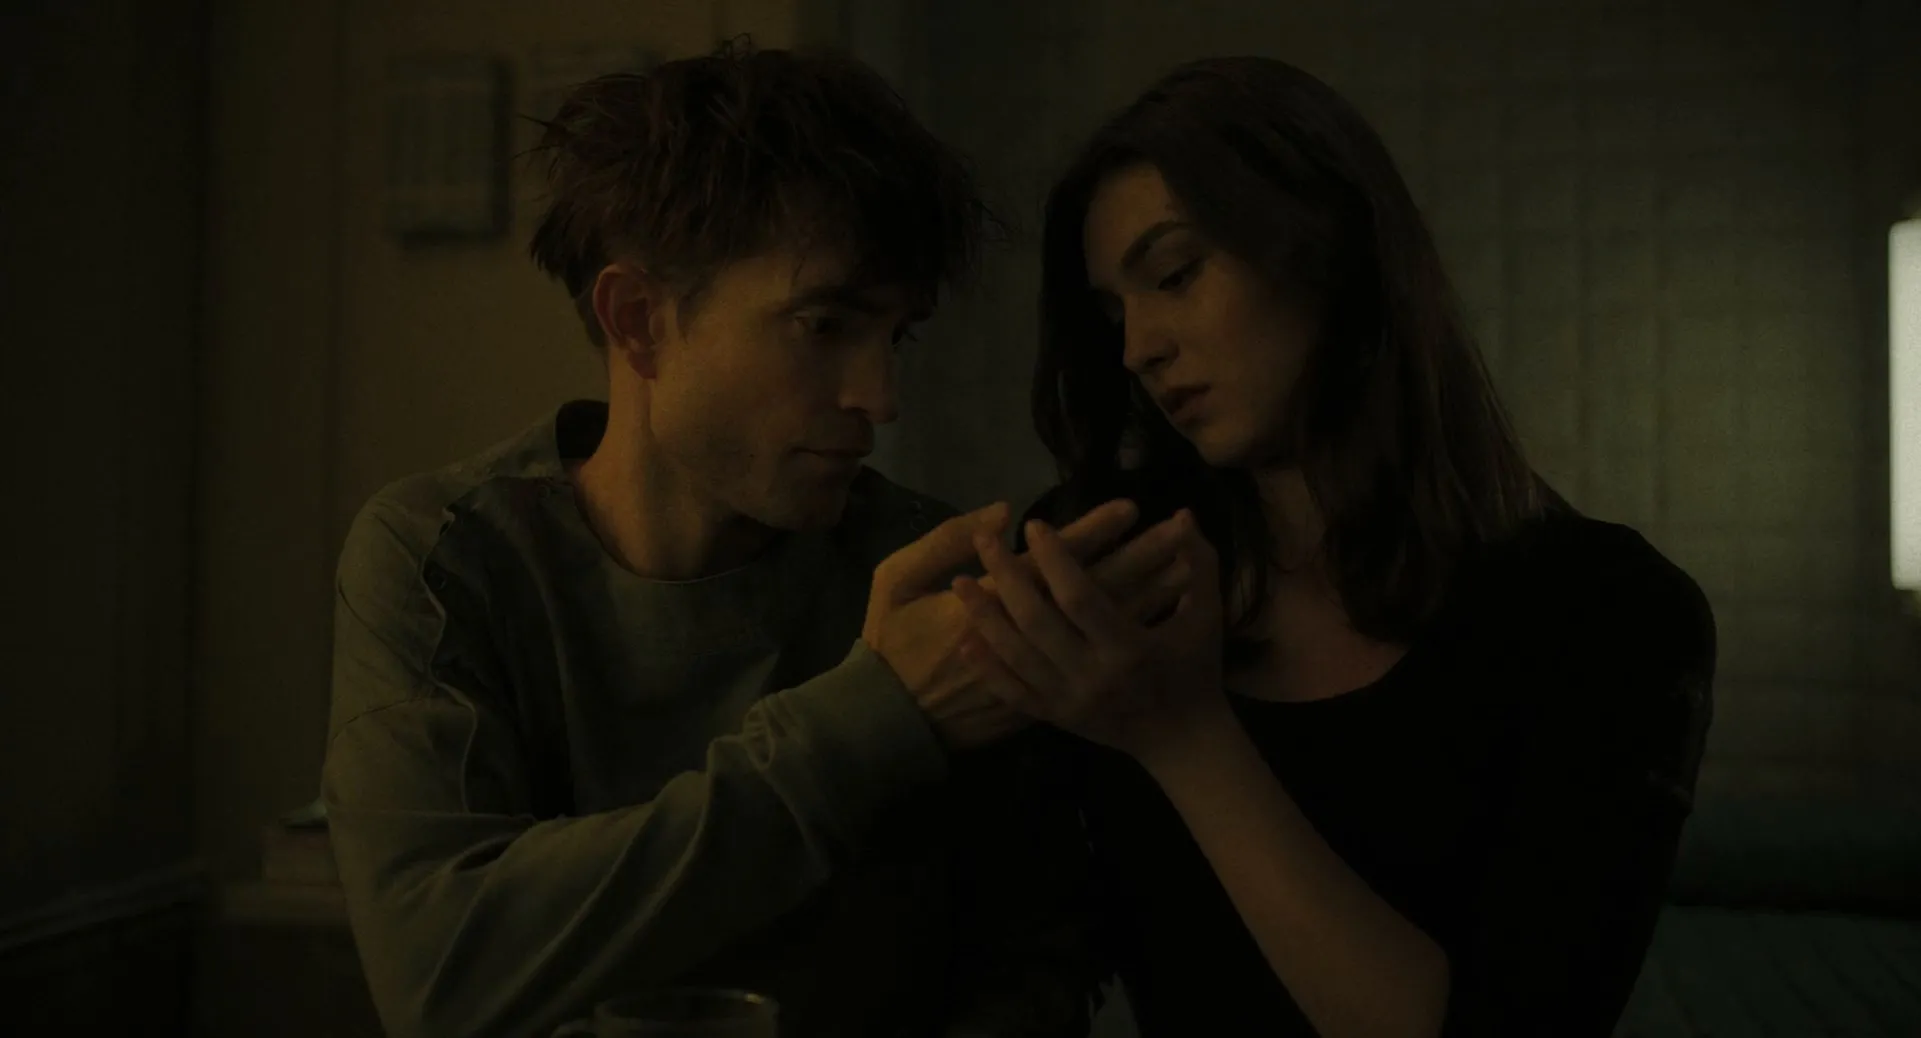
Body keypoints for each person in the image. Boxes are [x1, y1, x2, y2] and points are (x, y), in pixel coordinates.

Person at [321, 40, 1182, 1038]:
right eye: (824, 326)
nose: (881, 399)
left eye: (894, 336)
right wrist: (880, 716)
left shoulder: (928, 578)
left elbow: (1034, 958)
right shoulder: (444, 557)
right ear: (639, 321)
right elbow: (440, 975)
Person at [946, 57, 1717, 1037]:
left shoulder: (1609, 613)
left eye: (1175, 274)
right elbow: (1010, 928)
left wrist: (1183, 738)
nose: (1139, 347)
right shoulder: (1118, 560)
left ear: (1329, 246)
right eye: (1113, 315)